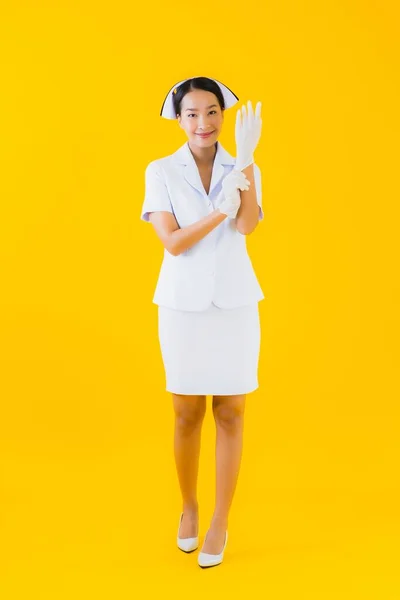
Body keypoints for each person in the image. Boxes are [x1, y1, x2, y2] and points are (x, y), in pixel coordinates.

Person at [140, 76, 265, 568]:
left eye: (212, 112)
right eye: (191, 113)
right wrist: (218, 209)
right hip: (183, 306)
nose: (203, 122)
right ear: (178, 117)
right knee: (187, 412)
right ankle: (189, 507)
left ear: (223, 114)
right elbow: (173, 242)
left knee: (231, 411)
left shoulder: (244, 164)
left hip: (234, 303)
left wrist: (249, 164)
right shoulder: (160, 171)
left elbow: (249, 224)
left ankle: (220, 520)